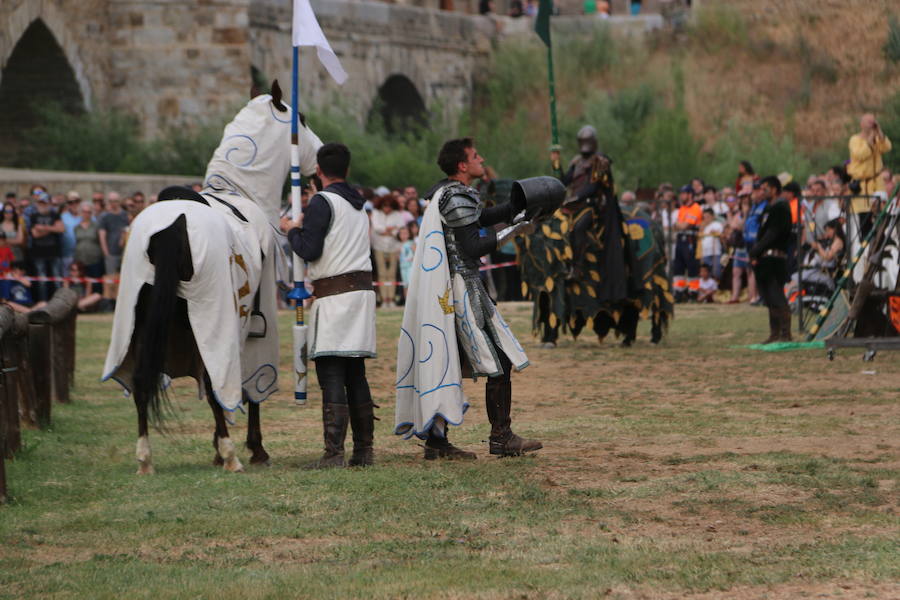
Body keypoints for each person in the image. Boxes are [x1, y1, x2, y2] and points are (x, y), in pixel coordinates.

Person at [396, 137, 541, 460]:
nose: (481, 159)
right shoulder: (454, 196)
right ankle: (500, 438)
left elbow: (484, 218)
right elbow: (474, 245)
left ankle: (438, 442)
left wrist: (521, 206)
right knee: (499, 359)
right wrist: (514, 230)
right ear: (463, 165)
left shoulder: (452, 194)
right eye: (476, 156)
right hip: (461, 289)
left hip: (460, 287)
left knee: (448, 362)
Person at [280, 143, 377, 468]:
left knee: (333, 371)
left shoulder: (324, 201)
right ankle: (363, 451)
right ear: (346, 169)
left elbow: (309, 249)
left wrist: (292, 230)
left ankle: (334, 453)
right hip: (358, 293)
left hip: (336, 297)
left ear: (319, 171)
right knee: (355, 373)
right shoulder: (357, 204)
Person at [749, 176, 793, 343]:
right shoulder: (768, 208)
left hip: (775, 258)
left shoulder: (781, 208)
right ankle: (774, 333)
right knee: (768, 297)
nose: (762, 191)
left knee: (776, 295)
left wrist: (756, 249)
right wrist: (757, 252)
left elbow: (773, 233)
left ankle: (785, 334)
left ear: (774, 189)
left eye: (765, 188)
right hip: (765, 259)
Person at [370, 195, 406, 308]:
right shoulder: (376, 213)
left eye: (390, 206)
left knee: (391, 273)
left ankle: (391, 299)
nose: (387, 208)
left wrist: (386, 230)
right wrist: (390, 229)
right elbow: (377, 228)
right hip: (378, 246)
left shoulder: (397, 214)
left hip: (394, 247)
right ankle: (384, 300)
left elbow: (400, 229)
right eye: (385, 206)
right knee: (382, 273)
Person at [29, 193, 65, 302]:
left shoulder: (55, 215)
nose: (43, 204)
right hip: (39, 253)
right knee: (42, 281)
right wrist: (52, 228)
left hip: (54, 252)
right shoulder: (33, 216)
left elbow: (61, 229)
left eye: (45, 202)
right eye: (40, 202)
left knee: (57, 279)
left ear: (49, 203)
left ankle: (58, 303)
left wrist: (43, 228)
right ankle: (43, 303)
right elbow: (35, 234)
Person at [672, 185, 702, 301]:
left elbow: (685, 225)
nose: (681, 196)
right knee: (678, 267)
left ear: (690, 195)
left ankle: (693, 293)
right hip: (680, 239)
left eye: (683, 193)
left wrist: (679, 225)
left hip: (690, 239)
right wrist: (679, 225)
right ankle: (678, 292)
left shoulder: (695, 207)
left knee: (691, 266)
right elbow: (675, 226)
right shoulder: (682, 208)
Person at [98, 192, 129, 299]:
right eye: (111, 201)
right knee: (110, 278)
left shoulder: (125, 215)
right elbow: (102, 235)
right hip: (111, 252)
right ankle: (109, 301)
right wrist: (106, 252)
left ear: (119, 202)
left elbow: (127, 231)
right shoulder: (105, 216)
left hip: (124, 252)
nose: (113, 204)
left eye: (115, 201)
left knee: (123, 278)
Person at [744, 181, 768, 305]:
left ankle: (759, 296)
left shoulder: (765, 206)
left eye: (757, 191)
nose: (755, 194)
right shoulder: (753, 206)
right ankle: (753, 296)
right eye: (754, 191)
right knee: (751, 269)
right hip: (749, 242)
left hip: (758, 242)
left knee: (757, 269)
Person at [73, 201, 105, 295]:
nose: (86, 214)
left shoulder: (96, 226)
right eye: (84, 211)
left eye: (88, 212)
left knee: (96, 283)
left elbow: (100, 241)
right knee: (83, 284)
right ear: (80, 212)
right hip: (81, 260)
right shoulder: (76, 227)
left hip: (94, 259)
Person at [698, 208, 724, 279]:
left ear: (712, 216)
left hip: (715, 252)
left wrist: (715, 232)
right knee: (706, 273)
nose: (706, 219)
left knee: (716, 272)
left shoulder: (717, 224)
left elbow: (721, 234)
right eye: (704, 217)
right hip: (705, 253)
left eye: (708, 217)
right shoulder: (704, 227)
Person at [60, 191, 82, 274]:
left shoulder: (87, 215)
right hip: (67, 254)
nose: (74, 204)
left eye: (76, 201)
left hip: (82, 255)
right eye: (70, 202)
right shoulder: (62, 217)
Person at [398, 224, 415, 300]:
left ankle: (412, 302)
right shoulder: (400, 245)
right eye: (402, 234)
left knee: (411, 285)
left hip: (410, 266)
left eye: (405, 233)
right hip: (403, 267)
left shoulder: (411, 243)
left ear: (409, 234)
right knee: (405, 285)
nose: (403, 235)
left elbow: (416, 253)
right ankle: (406, 302)